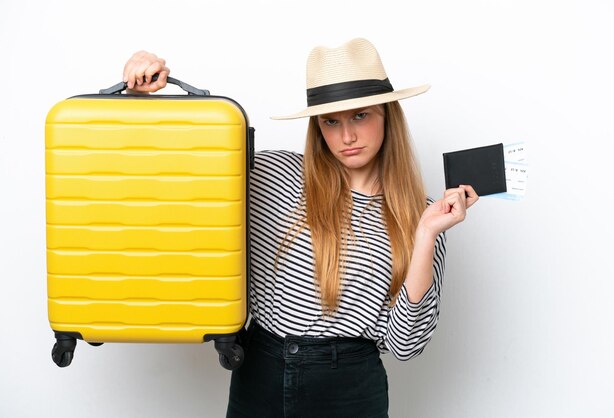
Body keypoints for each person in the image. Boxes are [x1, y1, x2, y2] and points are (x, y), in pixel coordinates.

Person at [122, 38, 478, 418]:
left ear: (388, 114)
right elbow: (175, 171)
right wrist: (143, 100)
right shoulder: (274, 176)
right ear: (317, 126)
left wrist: (424, 236)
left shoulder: (422, 216)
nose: (347, 137)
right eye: (331, 121)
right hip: (259, 373)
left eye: (361, 115)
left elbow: (405, 346)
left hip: (351, 390)